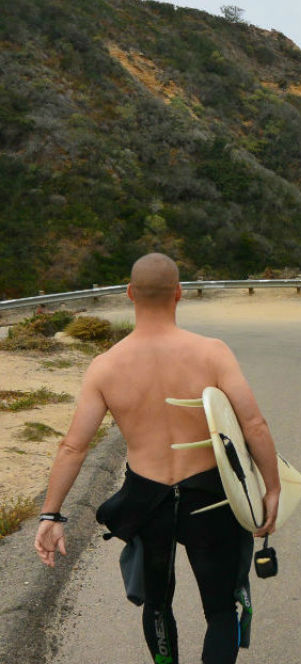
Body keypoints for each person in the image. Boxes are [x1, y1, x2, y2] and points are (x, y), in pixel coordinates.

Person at [34, 252, 281, 664]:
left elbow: (73, 447)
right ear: (179, 293)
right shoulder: (212, 353)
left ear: (130, 294)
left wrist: (50, 514)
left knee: (157, 606)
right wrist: (271, 488)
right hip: (210, 499)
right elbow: (254, 424)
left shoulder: (105, 367)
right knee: (221, 611)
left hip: (146, 503)